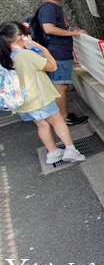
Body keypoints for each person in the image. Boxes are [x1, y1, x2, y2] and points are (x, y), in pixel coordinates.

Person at [0, 21, 85, 163]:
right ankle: (70, 150)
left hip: (22, 101)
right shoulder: (25, 55)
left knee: (42, 125)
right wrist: (41, 48)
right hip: (40, 97)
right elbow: (52, 67)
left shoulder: (5, 58)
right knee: (58, 121)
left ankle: (53, 153)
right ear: (21, 36)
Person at [34, 0, 88, 126]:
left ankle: (63, 116)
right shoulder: (49, 8)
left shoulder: (53, 7)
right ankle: (64, 119)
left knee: (60, 85)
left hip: (58, 51)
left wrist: (71, 31)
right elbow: (49, 28)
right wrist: (73, 34)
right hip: (57, 52)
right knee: (60, 86)